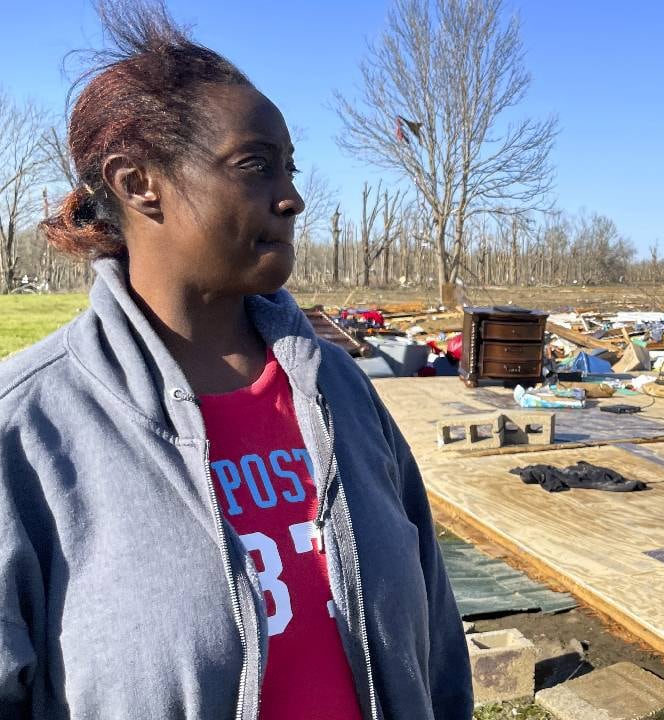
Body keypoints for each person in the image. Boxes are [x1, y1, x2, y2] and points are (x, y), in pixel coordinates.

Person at [0, 3, 472, 718]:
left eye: (289, 168)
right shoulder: (28, 432)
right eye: (254, 166)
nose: (293, 198)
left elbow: (434, 643)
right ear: (137, 183)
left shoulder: (342, 393)